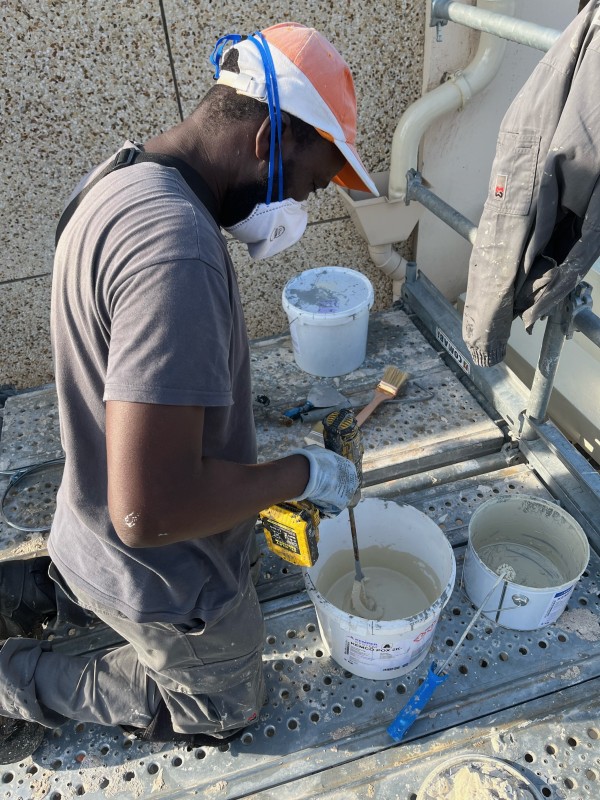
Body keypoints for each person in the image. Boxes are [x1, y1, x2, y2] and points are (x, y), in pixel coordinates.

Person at [0, 22, 378, 761]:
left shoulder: (119, 177)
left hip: (90, 526)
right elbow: (151, 511)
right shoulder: (179, 249)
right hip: (164, 576)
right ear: (269, 140)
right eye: (309, 180)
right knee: (225, 708)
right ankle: (19, 678)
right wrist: (300, 472)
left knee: (107, 559)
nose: (302, 202)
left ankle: (46, 587)